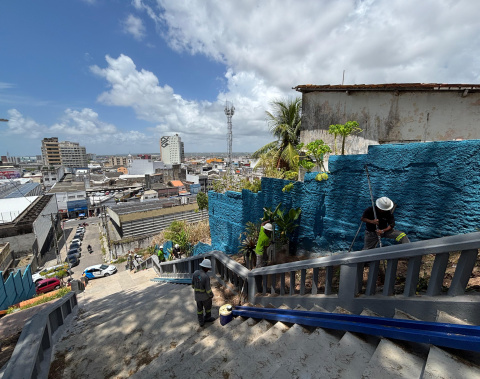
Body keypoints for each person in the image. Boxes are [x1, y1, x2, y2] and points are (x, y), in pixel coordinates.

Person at [192, 259, 215, 326]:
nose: (208, 269)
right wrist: (211, 295)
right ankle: (208, 318)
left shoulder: (195, 273)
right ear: (205, 268)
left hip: (197, 297)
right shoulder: (206, 277)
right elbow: (208, 290)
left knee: (199, 310)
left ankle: (201, 322)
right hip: (205, 298)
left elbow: (193, 285)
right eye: (208, 268)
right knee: (208, 308)